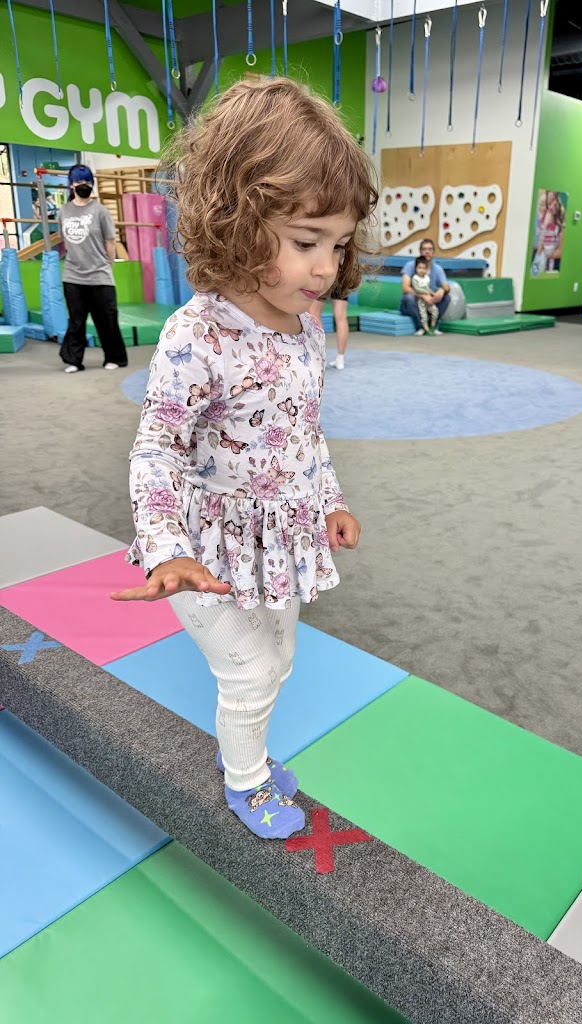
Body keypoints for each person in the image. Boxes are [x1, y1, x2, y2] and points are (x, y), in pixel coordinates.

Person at [110, 75, 376, 842]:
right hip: (203, 549)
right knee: (250, 669)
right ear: (237, 219)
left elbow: (305, 432)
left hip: (282, 539)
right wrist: (165, 547)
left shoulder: (307, 328)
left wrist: (330, 499)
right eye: (305, 242)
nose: (325, 268)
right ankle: (247, 780)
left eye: (336, 244)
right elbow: (156, 448)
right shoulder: (196, 335)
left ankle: (248, 749)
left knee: (280, 658)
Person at [58, 164, 128, 373]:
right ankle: (74, 360)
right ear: (71, 185)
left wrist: (108, 267)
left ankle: (114, 357)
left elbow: (110, 243)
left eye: (88, 182)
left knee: (107, 319)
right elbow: (65, 241)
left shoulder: (101, 211)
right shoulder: (64, 211)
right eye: (79, 182)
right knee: (76, 321)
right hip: (73, 276)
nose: (84, 185)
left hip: (99, 275)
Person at [400, 238, 450, 336]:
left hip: (429, 304)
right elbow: (405, 288)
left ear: (433, 252)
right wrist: (422, 296)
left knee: (446, 297)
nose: (427, 252)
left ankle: (433, 326)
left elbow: (446, 287)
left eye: (430, 249)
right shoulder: (410, 266)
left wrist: (442, 290)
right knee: (408, 297)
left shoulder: (438, 269)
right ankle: (421, 327)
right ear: (420, 251)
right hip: (414, 304)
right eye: (424, 249)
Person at [309, 286, 349, 369]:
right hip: (341, 279)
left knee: (315, 314)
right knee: (341, 318)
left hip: (324, 281)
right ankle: (340, 359)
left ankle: (320, 358)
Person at [410, 255, 439, 335]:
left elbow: (427, 287)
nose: (421, 270)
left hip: (428, 299)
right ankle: (426, 329)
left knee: (435, 311)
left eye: (424, 268)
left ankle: (432, 326)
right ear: (416, 268)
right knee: (423, 315)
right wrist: (424, 292)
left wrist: (432, 293)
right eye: (419, 268)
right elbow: (416, 288)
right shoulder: (415, 278)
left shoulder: (427, 278)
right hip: (421, 300)